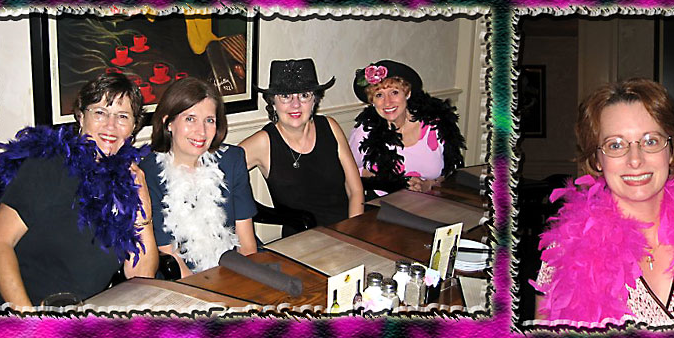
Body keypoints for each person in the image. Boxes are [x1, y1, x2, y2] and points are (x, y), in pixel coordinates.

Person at [534, 80, 674, 325]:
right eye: (615, 145)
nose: (635, 160)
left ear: (671, 149)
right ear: (597, 159)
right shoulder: (565, 252)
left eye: (650, 141)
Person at [0, 70, 156, 308]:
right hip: (26, 310)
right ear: (80, 116)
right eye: (100, 113)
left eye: (122, 116)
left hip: (86, 315)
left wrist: (143, 209)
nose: (110, 125)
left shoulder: (127, 181)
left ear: (134, 126)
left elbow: (141, 276)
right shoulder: (48, 165)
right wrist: (28, 318)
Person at [145, 75, 257, 274]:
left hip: (233, 268)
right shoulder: (149, 172)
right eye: (190, 119)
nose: (201, 131)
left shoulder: (232, 160)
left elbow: (247, 246)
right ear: (168, 122)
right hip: (181, 278)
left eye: (209, 120)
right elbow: (169, 254)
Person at [240, 59, 364, 233]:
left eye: (304, 95)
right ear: (273, 102)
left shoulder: (330, 126)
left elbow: (355, 190)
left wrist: (353, 233)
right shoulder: (263, 142)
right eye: (285, 96)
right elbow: (219, 175)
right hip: (300, 241)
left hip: (348, 231)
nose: (296, 104)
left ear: (314, 100)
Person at [349, 60, 464, 195]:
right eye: (379, 95)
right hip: (381, 204)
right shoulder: (364, 133)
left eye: (394, 92)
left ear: (407, 93)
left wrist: (428, 185)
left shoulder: (434, 126)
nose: (387, 102)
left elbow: (452, 170)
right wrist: (390, 183)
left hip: (434, 203)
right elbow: (348, 175)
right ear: (372, 101)